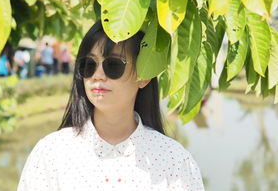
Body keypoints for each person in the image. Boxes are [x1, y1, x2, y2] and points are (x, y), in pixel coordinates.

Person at [17, 20, 205, 190]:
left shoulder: (174, 159)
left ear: (144, 76)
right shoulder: (52, 152)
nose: (97, 75)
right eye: (89, 65)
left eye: (113, 65)